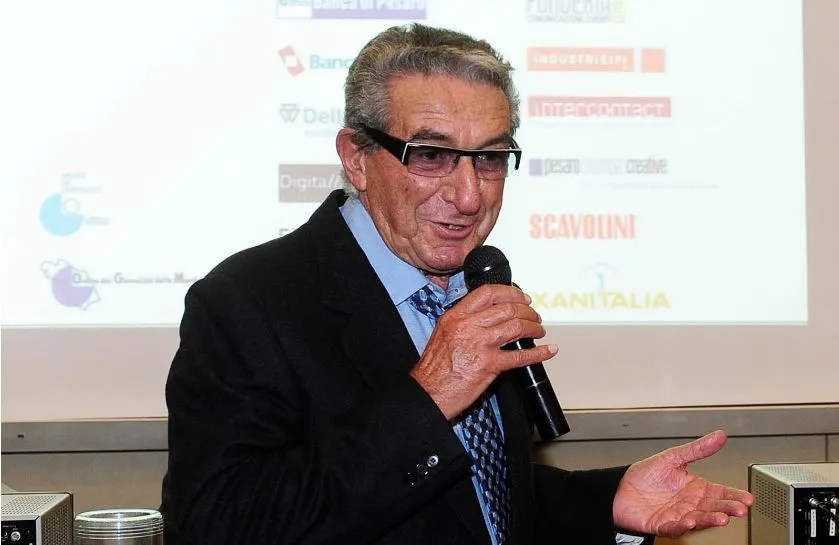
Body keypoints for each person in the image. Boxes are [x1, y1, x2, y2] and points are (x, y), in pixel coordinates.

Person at [161, 23, 754, 545]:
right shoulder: (246, 304)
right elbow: (219, 525)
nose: (470, 196)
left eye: (490, 159)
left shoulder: (474, 285)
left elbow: (474, 502)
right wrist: (430, 395)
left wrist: (608, 501)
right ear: (356, 157)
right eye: (431, 155)